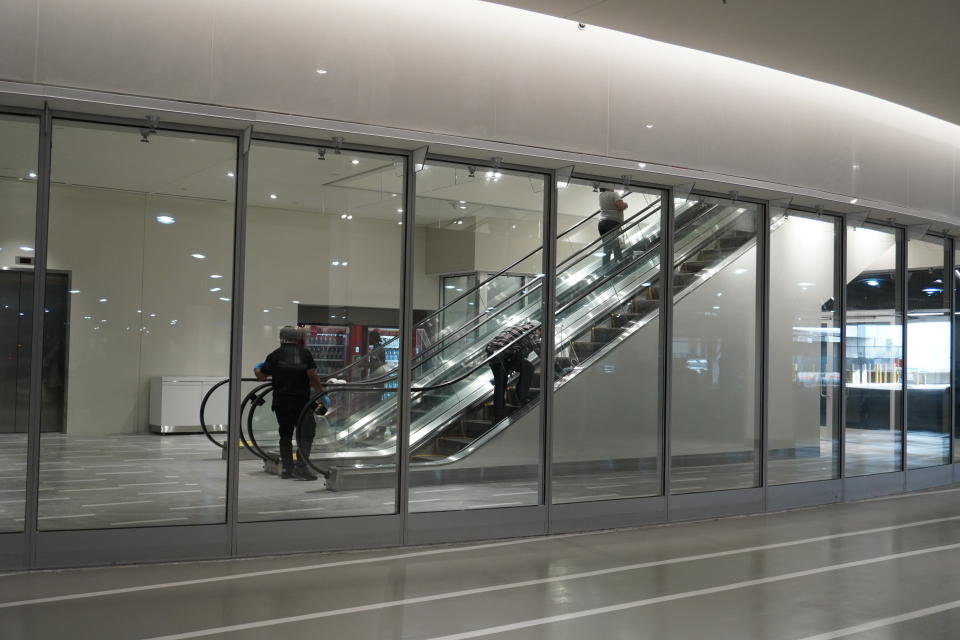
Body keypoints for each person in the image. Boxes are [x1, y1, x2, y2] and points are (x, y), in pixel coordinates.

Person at [254, 326, 325, 480]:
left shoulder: (274, 355)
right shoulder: (304, 353)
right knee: (306, 434)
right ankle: (301, 467)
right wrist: (320, 392)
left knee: (285, 435)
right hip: (302, 402)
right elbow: (312, 375)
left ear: (281, 338)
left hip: (281, 402)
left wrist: (256, 368)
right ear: (297, 338)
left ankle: (287, 468)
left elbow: (261, 377)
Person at [485, 322, 541, 421]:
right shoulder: (532, 332)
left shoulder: (515, 327)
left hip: (491, 353)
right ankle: (521, 397)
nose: (540, 336)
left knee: (500, 385)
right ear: (539, 329)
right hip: (504, 354)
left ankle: (498, 415)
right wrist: (556, 367)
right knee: (528, 367)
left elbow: (514, 348)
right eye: (541, 334)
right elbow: (541, 351)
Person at [598, 187, 628, 269]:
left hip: (602, 224)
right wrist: (626, 205)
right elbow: (620, 206)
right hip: (612, 223)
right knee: (616, 246)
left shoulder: (601, 195)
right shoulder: (614, 194)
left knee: (607, 246)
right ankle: (619, 268)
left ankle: (605, 268)